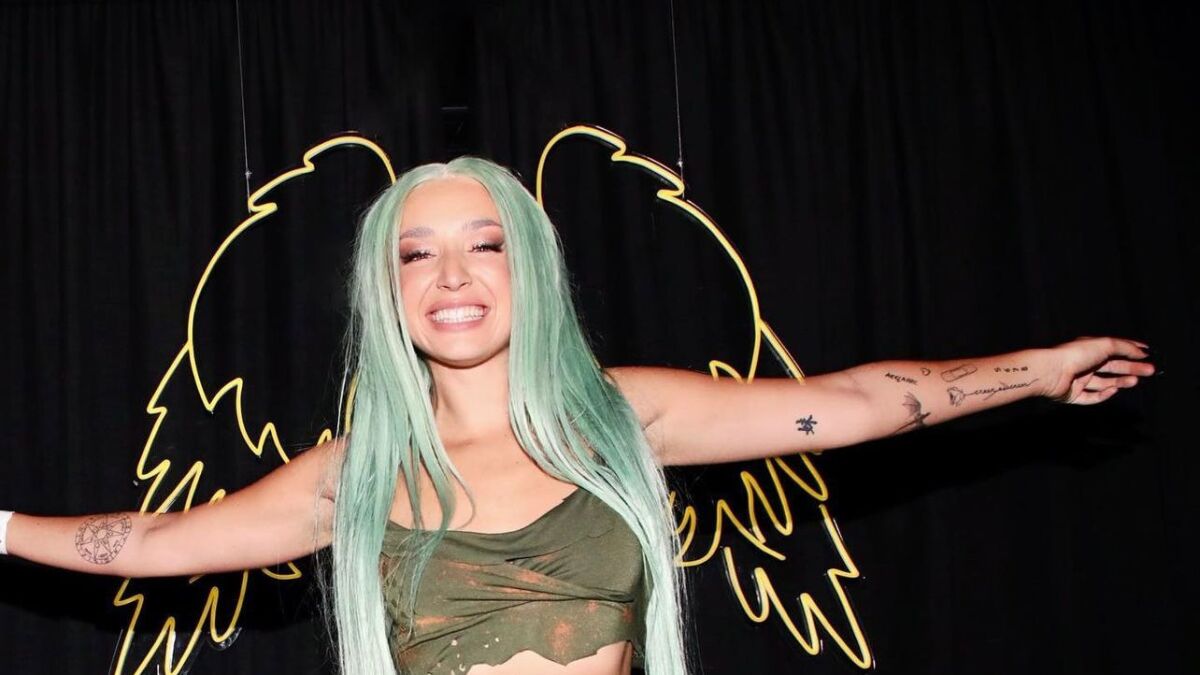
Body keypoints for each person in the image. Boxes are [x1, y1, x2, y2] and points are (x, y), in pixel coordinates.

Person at [0, 158, 1154, 675]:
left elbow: (854, 405)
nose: (453, 275)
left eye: (484, 243)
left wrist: (1036, 373)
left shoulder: (626, 418)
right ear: (386, 291)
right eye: (416, 254)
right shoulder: (354, 473)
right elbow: (151, 543)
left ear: (530, 267)